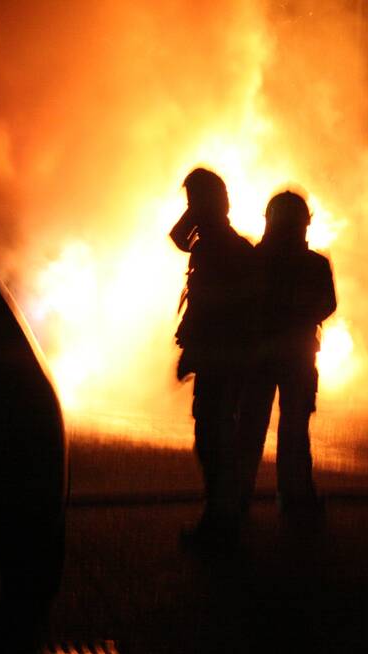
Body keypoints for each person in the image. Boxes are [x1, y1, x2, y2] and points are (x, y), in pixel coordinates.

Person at [236, 190, 336, 520]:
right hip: (297, 358)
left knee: (249, 431)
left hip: (259, 359)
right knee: (294, 432)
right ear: (303, 225)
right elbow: (327, 305)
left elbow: (240, 305)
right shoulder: (315, 265)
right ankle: (294, 499)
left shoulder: (253, 260)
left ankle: (236, 502)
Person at [170, 168, 256, 547]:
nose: (190, 209)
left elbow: (212, 310)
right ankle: (224, 517)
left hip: (221, 359)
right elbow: (179, 240)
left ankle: (220, 524)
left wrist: (193, 351)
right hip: (222, 358)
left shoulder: (219, 248)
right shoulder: (220, 244)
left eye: (193, 202)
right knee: (215, 439)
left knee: (213, 442)